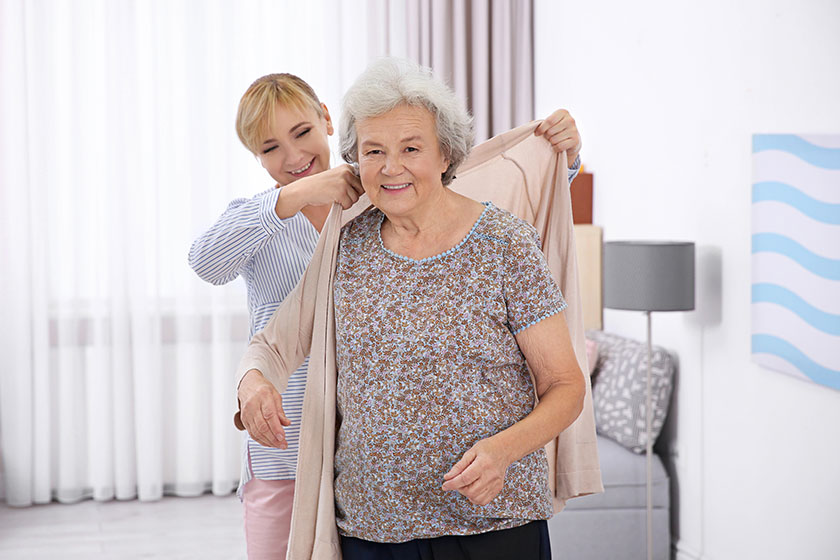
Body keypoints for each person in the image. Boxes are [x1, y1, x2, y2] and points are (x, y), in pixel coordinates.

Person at [190, 72, 585, 559]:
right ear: (357, 160)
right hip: (371, 528)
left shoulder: (506, 243)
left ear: (446, 155)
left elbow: (566, 385)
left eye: (412, 149)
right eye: (374, 151)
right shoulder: (345, 241)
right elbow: (270, 340)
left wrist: (504, 450)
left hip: (492, 523)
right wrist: (252, 382)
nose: (391, 166)